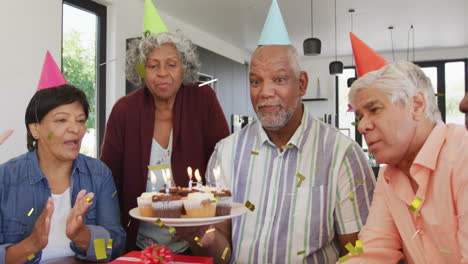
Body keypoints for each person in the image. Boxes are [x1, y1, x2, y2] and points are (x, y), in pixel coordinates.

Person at [178, 43, 375, 263]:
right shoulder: (225, 152)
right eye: (255, 81)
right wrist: (201, 235)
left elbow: (358, 253)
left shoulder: (343, 155)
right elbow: (222, 253)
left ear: (302, 84)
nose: (265, 92)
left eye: (279, 80)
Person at [100, 30, 229, 252]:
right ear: (142, 70)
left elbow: (224, 163)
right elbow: (109, 178)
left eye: (171, 64)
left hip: (195, 240)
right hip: (139, 244)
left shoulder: (203, 99)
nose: (162, 73)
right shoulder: (124, 110)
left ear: (184, 68)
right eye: (153, 65)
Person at [0, 51, 125, 263]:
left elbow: (113, 250)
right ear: (35, 129)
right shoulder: (5, 177)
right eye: (61, 120)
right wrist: (32, 244)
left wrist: (83, 237)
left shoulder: (98, 174)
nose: (75, 129)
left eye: (80, 120)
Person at [342, 61, 468, 263]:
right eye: (359, 117)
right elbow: (373, 250)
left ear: (417, 105)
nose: (362, 126)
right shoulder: (388, 174)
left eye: (374, 110)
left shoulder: (462, 152)